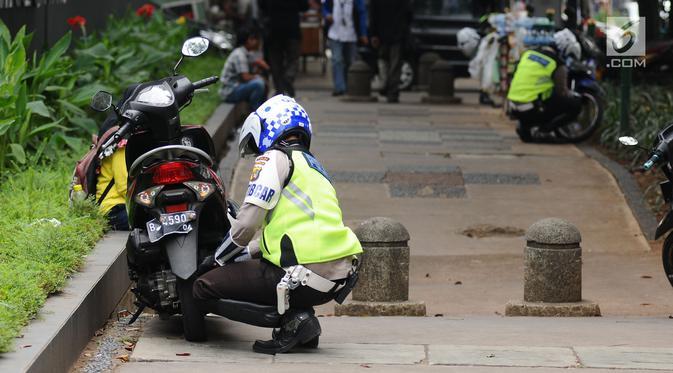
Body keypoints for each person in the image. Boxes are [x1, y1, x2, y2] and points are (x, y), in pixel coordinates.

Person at [193, 94, 362, 355]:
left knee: (203, 287)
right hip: (336, 276)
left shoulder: (273, 158)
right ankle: (300, 318)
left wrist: (217, 259)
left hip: (301, 275)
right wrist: (243, 255)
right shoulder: (313, 166)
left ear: (268, 127)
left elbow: (247, 223)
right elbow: (288, 233)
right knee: (248, 270)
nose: (256, 153)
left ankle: (292, 323)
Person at [506, 28, 582, 142]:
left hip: (511, 105)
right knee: (574, 104)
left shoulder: (528, 53)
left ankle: (525, 127)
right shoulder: (557, 64)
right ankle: (544, 131)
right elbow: (561, 91)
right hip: (530, 109)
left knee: (537, 92)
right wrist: (574, 95)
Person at [258, 0, 309, 97]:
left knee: (275, 62)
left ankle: (279, 89)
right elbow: (304, 6)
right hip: (292, 30)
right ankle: (288, 77)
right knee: (293, 59)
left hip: (273, 30)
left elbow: (262, 5)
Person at [369, 0, 412, 103]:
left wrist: (374, 33)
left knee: (383, 62)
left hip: (382, 34)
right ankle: (392, 92)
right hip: (397, 34)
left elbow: (373, 14)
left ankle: (386, 86)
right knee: (395, 65)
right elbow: (409, 14)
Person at [322, 0, 368, 96]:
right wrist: (327, 15)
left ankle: (349, 86)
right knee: (337, 60)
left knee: (350, 62)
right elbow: (324, 7)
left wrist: (363, 33)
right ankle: (340, 87)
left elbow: (362, 13)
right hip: (335, 33)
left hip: (351, 34)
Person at [219, 25, 269, 110]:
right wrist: (258, 76)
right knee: (259, 83)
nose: (255, 41)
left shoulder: (247, 53)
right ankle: (255, 110)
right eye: (252, 39)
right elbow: (245, 77)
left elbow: (252, 73)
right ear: (245, 41)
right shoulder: (240, 54)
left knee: (262, 82)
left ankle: (261, 108)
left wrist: (259, 66)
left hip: (238, 86)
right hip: (230, 91)